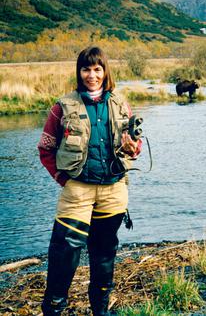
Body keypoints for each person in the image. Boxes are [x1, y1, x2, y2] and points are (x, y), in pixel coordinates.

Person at [38, 46, 142, 316]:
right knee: (64, 252)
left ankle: (101, 311)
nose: (92, 75)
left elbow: (135, 146)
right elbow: (45, 149)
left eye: (97, 69)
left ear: (105, 71)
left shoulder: (121, 103)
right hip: (77, 191)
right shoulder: (62, 107)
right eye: (86, 69)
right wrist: (63, 179)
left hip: (114, 190)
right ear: (79, 71)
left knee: (104, 252)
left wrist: (133, 149)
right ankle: (53, 309)